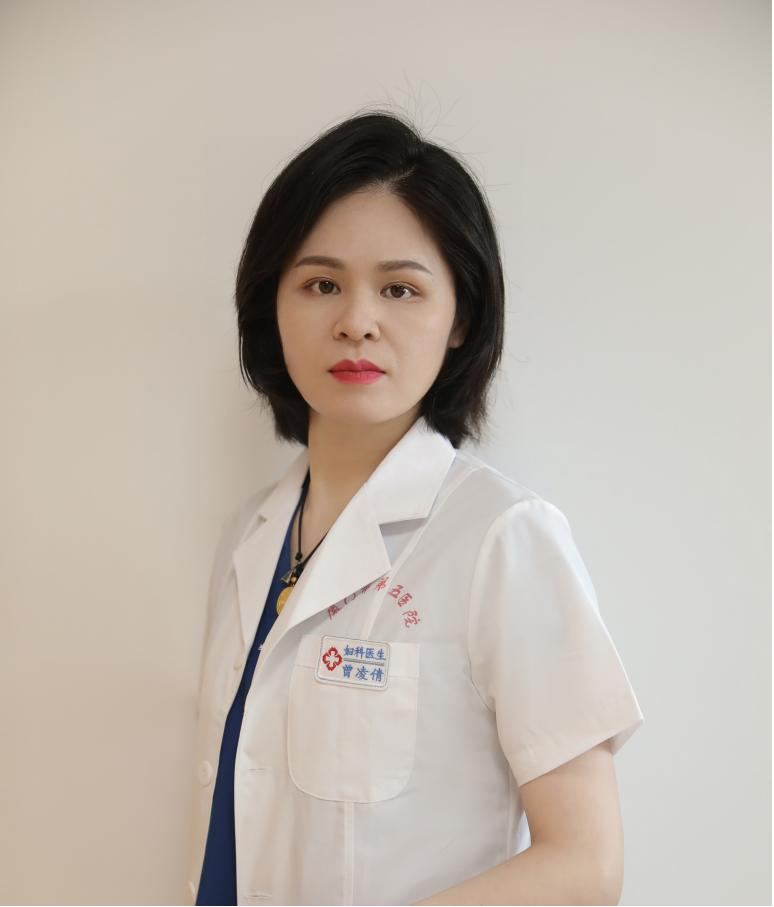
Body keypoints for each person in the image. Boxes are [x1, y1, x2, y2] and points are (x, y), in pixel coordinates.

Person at [186, 109, 644, 907]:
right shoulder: (247, 536)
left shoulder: (502, 537)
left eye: (399, 288)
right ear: (273, 307)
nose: (356, 322)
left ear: (460, 317)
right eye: (321, 284)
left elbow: (585, 865)